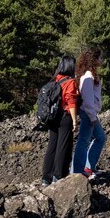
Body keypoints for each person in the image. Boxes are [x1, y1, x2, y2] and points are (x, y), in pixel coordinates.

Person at [42, 56, 79, 185]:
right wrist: (75, 120)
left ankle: (46, 177)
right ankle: (58, 176)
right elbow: (71, 102)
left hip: (52, 117)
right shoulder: (70, 82)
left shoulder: (55, 79)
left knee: (52, 146)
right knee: (63, 146)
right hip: (64, 116)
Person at [71, 47, 106, 179]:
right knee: (84, 141)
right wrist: (92, 117)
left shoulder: (87, 74)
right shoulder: (88, 76)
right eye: (100, 57)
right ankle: (77, 173)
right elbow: (87, 99)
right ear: (94, 59)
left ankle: (87, 167)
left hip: (89, 113)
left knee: (100, 138)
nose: (102, 60)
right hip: (88, 113)